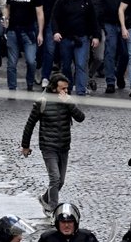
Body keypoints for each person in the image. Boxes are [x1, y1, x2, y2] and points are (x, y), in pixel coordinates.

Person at [21, 73, 86, 213]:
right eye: (62, 88)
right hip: (48, 147)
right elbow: (30, 124)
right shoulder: (42, 102)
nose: (65, 91)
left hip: (63, 146)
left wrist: (69, 104)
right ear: (54, 88)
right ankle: (53, 210)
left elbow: (80, 117)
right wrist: (25, 146)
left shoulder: (68, 101)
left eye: (67, 89)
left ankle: (45, 198)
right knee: (55, 179)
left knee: (60, 181)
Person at [51, 0, 101, 96]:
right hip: (65, 38)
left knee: (81, 64)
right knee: (66, 66)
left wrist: (96, 36)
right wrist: (56, 32)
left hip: (82, 38)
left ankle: (81, 91)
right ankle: (68, 88)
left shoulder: (87, 0)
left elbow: (94, 20)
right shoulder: (61, 0)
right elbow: (54, 18)